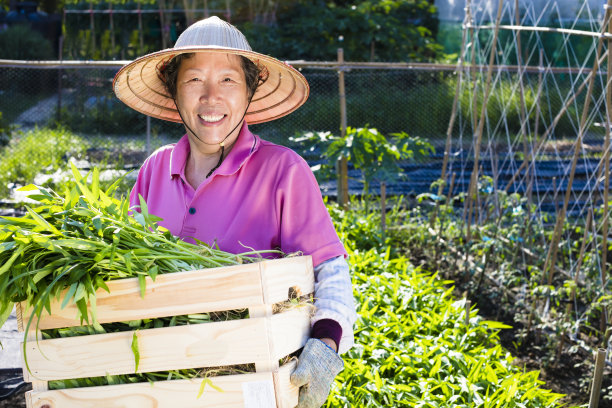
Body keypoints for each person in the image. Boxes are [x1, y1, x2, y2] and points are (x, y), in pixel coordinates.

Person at [113, 16, 357, 408]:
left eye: (228, 80)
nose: (211, 97)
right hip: (160, 382)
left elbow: (329, 266)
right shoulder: (154, 171)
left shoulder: (283, 171)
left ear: (248, 93)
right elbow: (124, 274)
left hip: (250, 384)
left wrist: (326, 343)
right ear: (174, 92)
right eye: (193, 80)